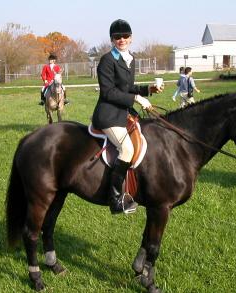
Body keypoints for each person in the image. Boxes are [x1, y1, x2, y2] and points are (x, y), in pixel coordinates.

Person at [92, 19, 163, 215]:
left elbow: (127, 87)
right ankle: (115, 199)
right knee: (126, 149)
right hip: (108, 114)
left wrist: (148, 89)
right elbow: (108, 92)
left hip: (123, 113)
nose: (121, 39)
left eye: (125, 36)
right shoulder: (107, 60)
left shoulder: (129, 59)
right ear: (112, 40)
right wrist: (137, 98)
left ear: (131, 38)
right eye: (117, 37)